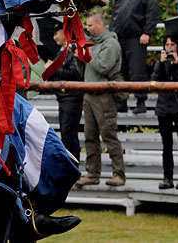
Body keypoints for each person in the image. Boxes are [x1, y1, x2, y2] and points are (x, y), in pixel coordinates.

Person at [76, 13, 126, 187]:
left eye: (90, 25)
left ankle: (118, 173)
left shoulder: (111, 43)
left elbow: (103, 67)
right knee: (90, 136)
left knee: (109, 135)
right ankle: (92, 173)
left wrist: (85, 52)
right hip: (89, 93)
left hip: (104, 94)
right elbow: (84, 69)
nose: (87, 28)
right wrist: (78, 55)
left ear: (100, 24)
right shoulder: (93, 43)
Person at [109, 0, 160, 114]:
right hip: (120, 38)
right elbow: (114, 16)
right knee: (120, 71)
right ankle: (122, 100)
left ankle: (140, 101)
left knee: (138, 71)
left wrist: (147, 32)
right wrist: (112, 35)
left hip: (136, 38)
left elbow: (153, 14)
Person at [152, 34, 178, 189]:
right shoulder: (161, 63)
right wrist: (161, 63)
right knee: (166, 146)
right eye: (167, 45)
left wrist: (176, 65)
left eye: (172, 44)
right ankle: (167, 177)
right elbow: (155, 80)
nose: (169, 48)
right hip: (163, 108)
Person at [44, 20, 84, 160]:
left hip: (72, 97)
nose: (55, 37)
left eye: (56, 33)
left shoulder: (73, 49)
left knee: (69, 134)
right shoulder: (61, 51)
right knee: (66, 134)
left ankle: (73, 165)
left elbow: (75, 73)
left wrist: (53, 67)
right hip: (63, 97)